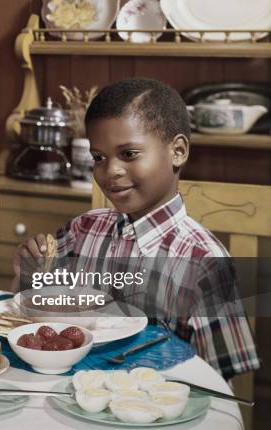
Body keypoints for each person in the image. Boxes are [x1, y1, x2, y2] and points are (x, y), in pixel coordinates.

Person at [14, 78, 259, 379]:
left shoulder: (203, 262)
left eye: (129, 154)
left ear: (178, 151)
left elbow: (219, 382)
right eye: (99, 158)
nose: (110, 171)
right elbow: (37, 313)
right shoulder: (82, 229)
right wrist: (30, 274)